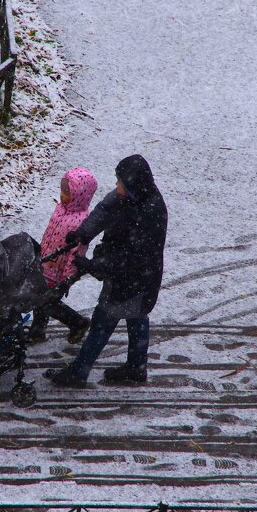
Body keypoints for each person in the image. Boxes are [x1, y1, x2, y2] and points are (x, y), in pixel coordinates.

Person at [45, 154, 167, 388]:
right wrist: (83, 232)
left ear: (132, 185)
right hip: (134, 278)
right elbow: (104, 210)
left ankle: (79, 371)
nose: (116, 186)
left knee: (104, 319)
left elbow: (130, 259)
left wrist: (93, 266)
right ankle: (136, 367)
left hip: (133, 279)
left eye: (120, 183)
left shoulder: (151, 212)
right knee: (137, 316)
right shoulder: (131, 194)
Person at [28, 167, 98, 344]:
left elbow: (77, 252)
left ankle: (77, 323)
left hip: (61, 272)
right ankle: (38, 331)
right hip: (46, 262)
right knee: (40, 297)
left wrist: (68, 278)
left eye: (67, 192)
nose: (61, 195)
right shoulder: (60, 208)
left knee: (48, 302)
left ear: (80, 195)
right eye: (61, 190)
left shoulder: (82, 223)